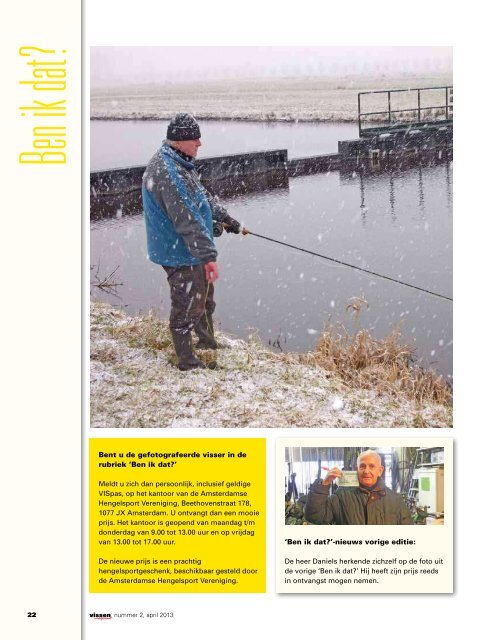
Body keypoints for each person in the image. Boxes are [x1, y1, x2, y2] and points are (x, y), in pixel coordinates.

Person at [142, 113, 242, 371]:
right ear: (179, 141)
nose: (200, 143)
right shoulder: (167, 171)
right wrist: (209, 257)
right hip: (178, 251)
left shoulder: (179, 163)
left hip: (191, 249)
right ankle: (187, 362)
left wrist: (227, 219)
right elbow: (187, 219)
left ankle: (207, 342)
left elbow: (202, 198)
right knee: (187, 305)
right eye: (194, 138)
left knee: (205, 299)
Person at [304, 450, 413, 525]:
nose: (366, 471)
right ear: (357, 469)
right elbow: (315, 516)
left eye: (371, 466)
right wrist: (324, 484)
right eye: (362, 466)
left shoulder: (395, 500)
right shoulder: (342, 495)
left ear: (380, 471)